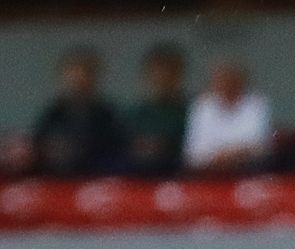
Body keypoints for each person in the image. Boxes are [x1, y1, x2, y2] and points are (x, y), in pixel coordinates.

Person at [30, 47, 126, 179]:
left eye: (84, 73)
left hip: (93, 179)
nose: (78, 79)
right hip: (55, 180)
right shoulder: (54, 113)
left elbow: (114, 150)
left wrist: (78, 148)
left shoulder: (106, 114)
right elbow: (39, 144)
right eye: (73, 73)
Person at [183, 59, 274, 176]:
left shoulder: (256, 103)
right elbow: (194, 151)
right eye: (222, 80)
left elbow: (259, 145)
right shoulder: (202, 106)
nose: (227, 84)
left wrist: (231, 154)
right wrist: (220, 156)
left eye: (232, 80)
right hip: (208, 172)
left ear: (242, 82)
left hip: (249, 170)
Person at [119, 43, 189, 178]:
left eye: (170, 72)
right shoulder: (133, 114)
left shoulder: (193, 112)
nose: (163, 77)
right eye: (158, 72)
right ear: (147, 74)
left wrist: (165, 146)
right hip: (138, 180)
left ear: (180, 75)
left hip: (179, 178)